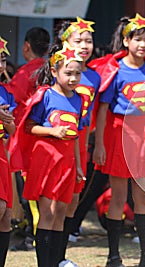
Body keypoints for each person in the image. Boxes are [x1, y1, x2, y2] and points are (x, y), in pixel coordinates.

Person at [89, 13, 145, 267]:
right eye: (137, 40)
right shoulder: (117, 69)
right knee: (119, 196)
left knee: (143, 197)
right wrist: (99, 144)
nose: (143, 45)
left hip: (144, 135)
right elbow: (102, 109)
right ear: (126, 41)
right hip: (119, 134)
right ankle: (113, 256)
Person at [9, 42, 84, 267]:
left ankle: (56, 261)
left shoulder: (78, 99)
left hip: (68, 160)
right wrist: (52, 131)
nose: (73, 78)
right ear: (54, 71)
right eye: (68, 73)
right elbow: (29, 126)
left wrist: (79, 165)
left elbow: (77, 134)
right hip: (47, 160)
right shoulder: (46, 96)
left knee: (61, 211)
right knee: (48, 212)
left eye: (78, 73)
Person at [51, 17, 101, 267]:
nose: (84, 45)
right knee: (54, 202)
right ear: (64, 42)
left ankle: (60, 257)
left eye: (88, 40)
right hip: (55, 143)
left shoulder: (94, 77)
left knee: (71, 201)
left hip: (80, 142)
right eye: (78, 40)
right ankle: (49, 256)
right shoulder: (55, 71)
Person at [6, 26, 50, 252]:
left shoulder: (26, 73)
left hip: (25, 139)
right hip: (46, 137)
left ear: (26, 47)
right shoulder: (52, 68)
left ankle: (32, 236)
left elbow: (9, 98)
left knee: (28, 191)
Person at [0, 36, 16, 267]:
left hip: (2, 155)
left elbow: (13, 129)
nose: (1, 65)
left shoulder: (5, 92)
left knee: (6, 218)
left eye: (3, 60)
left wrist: (6, 120)